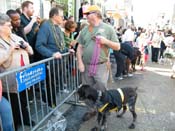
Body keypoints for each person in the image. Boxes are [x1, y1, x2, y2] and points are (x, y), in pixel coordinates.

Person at [77, 5, 120, 121]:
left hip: (101, 66)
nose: (85, 16)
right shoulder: (85, 30)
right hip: (86, 66)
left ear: (96, 14)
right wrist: (80, 62)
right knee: (86, 91)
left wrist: (105, 41)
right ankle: (91, 110)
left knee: (101, 90)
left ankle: (104, 108)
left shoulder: (108, 28)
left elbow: (118, 46)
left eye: (88, 14)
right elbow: (79, 47)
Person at [0, 13, 34, 130]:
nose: (11, 27)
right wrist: (10, 49)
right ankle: (15, 124)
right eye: (8, 25)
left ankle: (25, 119)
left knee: (23, 101)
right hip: (9, 80)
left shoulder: (15, 36)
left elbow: (31, 51)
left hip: (24, 76)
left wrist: (26, 46)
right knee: (13, 104)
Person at [35, 7, 74, 107]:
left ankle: (53, 105)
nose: (63, 18)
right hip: (50, 63)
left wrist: (66, 50)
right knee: (50, 86)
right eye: (61, 16)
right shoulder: (46, 26)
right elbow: (39, 45)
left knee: (55, 85)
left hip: (58, 63)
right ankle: (51, 106)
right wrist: (51, 54)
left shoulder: (57, 27)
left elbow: (60, 45)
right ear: (55, 16)